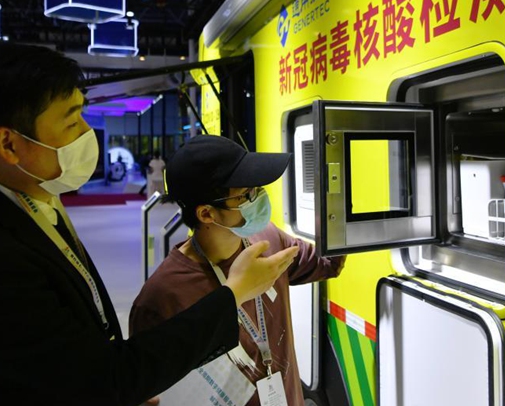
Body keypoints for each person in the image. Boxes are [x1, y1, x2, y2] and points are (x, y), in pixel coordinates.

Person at [0, 42, 298, 406]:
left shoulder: (31, 202)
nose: (88, 134)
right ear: (9, 145)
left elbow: (65, 367)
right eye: (71, 123)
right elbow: (92, 378)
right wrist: (234, 294)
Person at [129, 135, 346, 406]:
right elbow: (147, 390)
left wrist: (340, 204)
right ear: (207, 214)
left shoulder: (267, 239)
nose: (260, 199)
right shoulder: (162, 298)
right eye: (246, 195)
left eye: (258, 189)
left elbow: (325, 263)